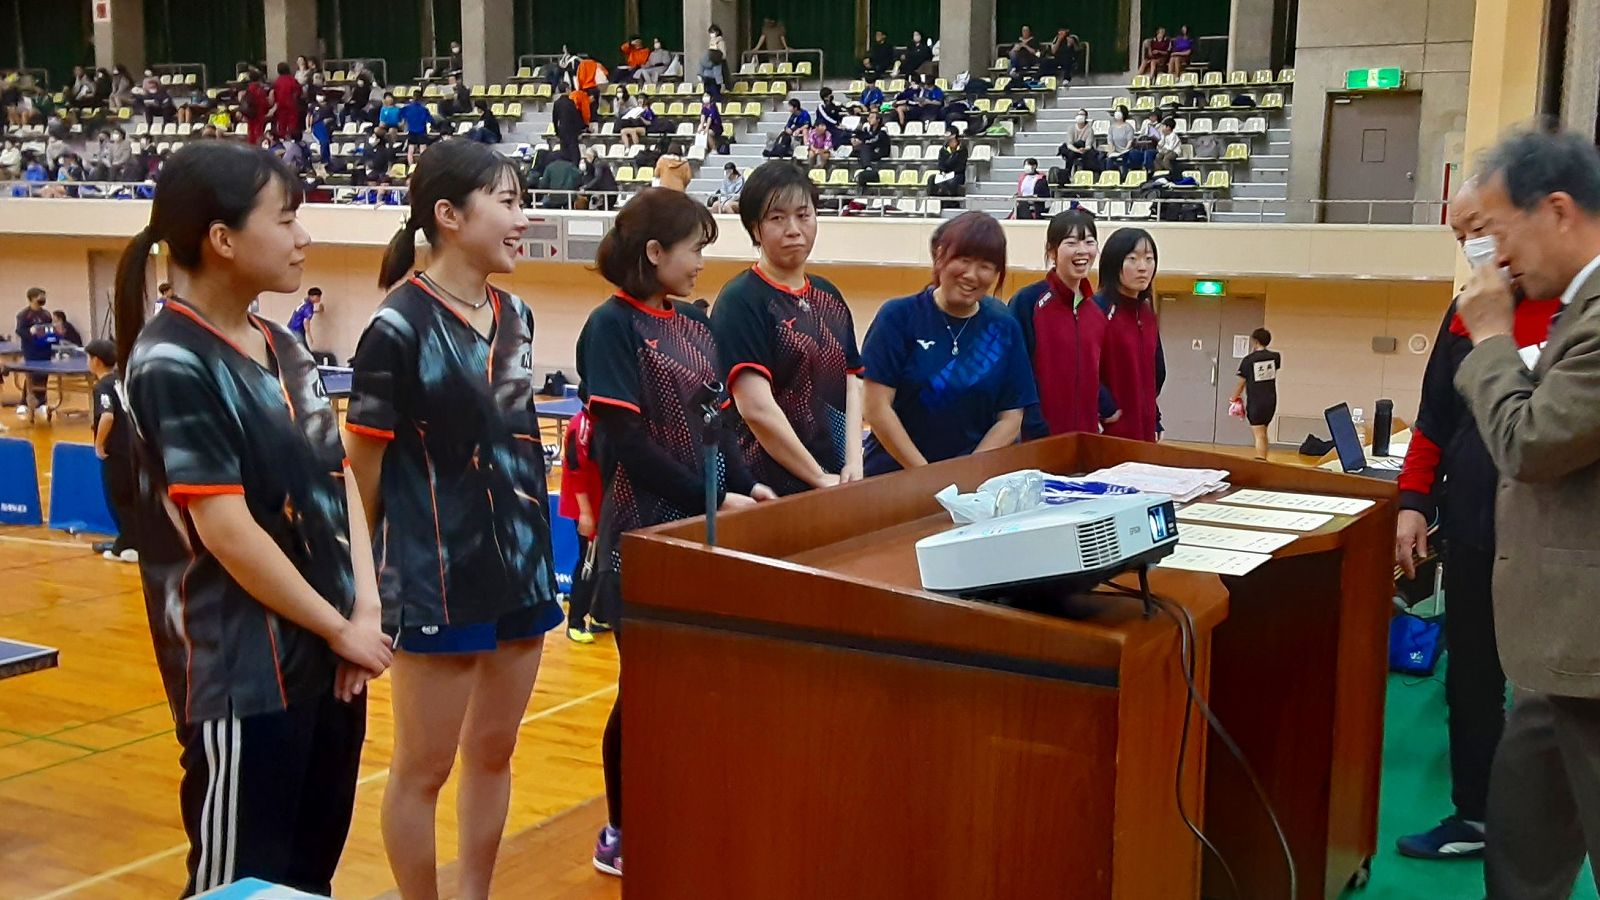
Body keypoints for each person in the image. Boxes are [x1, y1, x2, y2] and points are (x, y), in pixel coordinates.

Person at [112, 140, 390, 897]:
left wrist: (362, 613)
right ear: (223, 239)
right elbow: (227, 531)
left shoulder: (285, 345)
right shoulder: (172, 362)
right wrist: (339, 628)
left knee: (305, 884)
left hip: (332, 664)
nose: (305, 236)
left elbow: (338, 483)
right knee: (238, 888)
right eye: (286, 218)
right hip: (244, 679)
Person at [345, 138, 562, 900]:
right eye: (507, 202)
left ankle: (475, 892)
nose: (523, 219)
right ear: (448, 215)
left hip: (522, 570)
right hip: (435, 577)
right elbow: (360, 472)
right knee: (423, 770)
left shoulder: (518, 315)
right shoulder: (397, 327)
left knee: (494, 753)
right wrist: (363, 593)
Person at [577, 187, 775, 877]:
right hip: (642, 533)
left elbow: (718, 424)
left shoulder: (694, 323)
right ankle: (621, 828)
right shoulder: (611, 327)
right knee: (643, 688)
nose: (701, 263)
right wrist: (713, 496)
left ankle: (680, 808)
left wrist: (748, 482)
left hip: (703, 531)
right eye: (694, 249)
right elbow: (629, 445)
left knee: (696, 685)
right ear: (655, 251)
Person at [1435, 131, 1600, 899]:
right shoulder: (1574, 309)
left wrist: (1494, 335)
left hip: (1589, 646)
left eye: (1498, 231)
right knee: (1522, 842)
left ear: (1557, 211)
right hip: (1557, 650)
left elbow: (1530, 444)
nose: (1495, 258)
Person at [1391, 183, 1560, 864]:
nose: (1471, 247)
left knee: (1549, 693)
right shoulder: (1464, 312)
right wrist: (1412, 502)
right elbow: (1434, 418)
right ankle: (1475, 815)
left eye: (1478, 229)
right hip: (1470, 526)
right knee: (1472, 677)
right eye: (1459, 237)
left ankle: (1547, 829)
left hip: (1550, 536)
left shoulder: (1573, 309)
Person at [713, 162, 864, 496]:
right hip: (769, 489)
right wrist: (817, 476)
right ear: (755, 229)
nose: (794, 229)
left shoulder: (829, 294)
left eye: (803, 215)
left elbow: (852, 381)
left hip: (836, 480)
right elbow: (755, 408)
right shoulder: (741, 301)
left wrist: (854, 461)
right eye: (777, 218)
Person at [860, 212, 1037, 475]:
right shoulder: (897, 317)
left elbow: (1011, 417)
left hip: (973, 484)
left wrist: (967, 474)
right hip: (895, 480)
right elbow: (876, 408)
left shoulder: (1004, 327)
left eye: (985, 266)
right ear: (940, 256)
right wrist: (928, 476)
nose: (972, 275)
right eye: (963, 260)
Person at [1009, 208, 1111, 439]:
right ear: (1051, 251)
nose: (1082, 250)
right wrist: (1034, 424)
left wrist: (1104, 407)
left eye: (1089, 242)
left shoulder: (1096, 310)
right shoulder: (1028, 301)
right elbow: (1015, 370)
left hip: (1085, 437)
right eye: (1071, 242)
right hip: (1038, 438)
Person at [1095, 228, 1165, 442]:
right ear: (1114, 262)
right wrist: (1105, 407)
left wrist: (1154, 416)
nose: (1143, 267)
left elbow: (1154, 372)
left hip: (1144, 434)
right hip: (1108, 434)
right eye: (1133, 259)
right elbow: (1080, 369)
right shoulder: (1096, 310)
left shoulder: (1146, 313)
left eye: (1149, 259)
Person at [85, 339, 137, 562]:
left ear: (96, 361)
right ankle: (133, 542)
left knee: (119, 500)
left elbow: (107, 416)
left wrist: (99, 444)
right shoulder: (121, 380)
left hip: (117, 452)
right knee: (133, 499)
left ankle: (128, 545)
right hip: (134, 450)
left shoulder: (102, 387)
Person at [558, 405, 600, 643]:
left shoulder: (602, 422)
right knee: (589, 561)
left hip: (600, 502)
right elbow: (575, 469)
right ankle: (575, 621)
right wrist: (585, 512)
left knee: (603, 559)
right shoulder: (581, 425)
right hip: (586, 506)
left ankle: (599, 615)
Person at [1230, 328, 1281, 460]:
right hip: (1271, 400)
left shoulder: (1248, 360)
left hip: (1256, 401)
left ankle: (1260, 460)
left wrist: (1234, 397)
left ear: (1255, 341)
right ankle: (1263, 458)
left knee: (1259, 434)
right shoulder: (1275, 357)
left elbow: (1242, 383)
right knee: (1263, 432)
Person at [15, 287, 54, 423]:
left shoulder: (46, 314)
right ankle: (24, 403)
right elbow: (20, 331)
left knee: (43, 376)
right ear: (32, 298)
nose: (43, 299)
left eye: (44, 296)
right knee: (31, 376)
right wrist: (31, 333)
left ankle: (42, 402)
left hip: (45, 350)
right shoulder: (24, 315)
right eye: (40, 296)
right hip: (31, 350)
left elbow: (50, 330)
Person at [1054, 109, 1101, 183]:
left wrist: (1083, 149)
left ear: (1086, 117)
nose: (1080, 116)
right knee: (1070, 153)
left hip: (1085, 150)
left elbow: (1088, 146)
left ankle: (1085, 176)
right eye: (1079, 114)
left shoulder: (1089, 130)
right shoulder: (1071, 128)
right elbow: (1069, 144)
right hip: (1073, 149)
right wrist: (1077, 150)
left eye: (1082, 115)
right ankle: (1067, 174)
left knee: (1086, 152)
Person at [270, 62, 303, 140]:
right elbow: (299, 92)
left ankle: (282, 139)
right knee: (292, 125)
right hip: (292, 105)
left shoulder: (277, 81)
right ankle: (292, 139)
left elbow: (274, 94)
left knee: (282, 125)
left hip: (281, 106)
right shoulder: (293, 80)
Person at [399, 94, 434, 165]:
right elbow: (430, 120)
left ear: (413, 98)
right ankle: (423, 167)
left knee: (410, 151)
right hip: (422, 132)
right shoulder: (424, 109)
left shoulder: (407, 109)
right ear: (421, 99)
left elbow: (400, 115)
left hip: (412, 131)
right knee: (423, 151)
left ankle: (411, 167)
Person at [929, 133, 967, 198]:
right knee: (931, 179)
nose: (951, 142)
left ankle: (951, 200)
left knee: (951, 182)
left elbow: (961, 166)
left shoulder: (962, 150)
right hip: (945, 174)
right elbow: (941, 163)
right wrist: (942, 171)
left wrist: (951, 172)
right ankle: (933, 198)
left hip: (957, 174)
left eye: (952, 140)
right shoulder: (943, 150)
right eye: (950, 140)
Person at [1105, 106, 1136, 176]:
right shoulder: (1111, 127)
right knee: (1109, 160)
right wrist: (1111, 150)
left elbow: (1130, 141)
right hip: (1115, 151)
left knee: (1124, 160)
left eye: (1119, 111)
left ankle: (1124, 176)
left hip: (1126, 151)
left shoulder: (1128, 127)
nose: (1117, 113)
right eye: (1116, 111)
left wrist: (1124, 150)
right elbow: (1110, 141)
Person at [242, 69, 270, 145]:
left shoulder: (248, 89)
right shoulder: (259, 90)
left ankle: (251, 146)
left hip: (250, 114)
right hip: (259, 114)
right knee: (258, 133)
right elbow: (264, 103)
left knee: (251, 132)